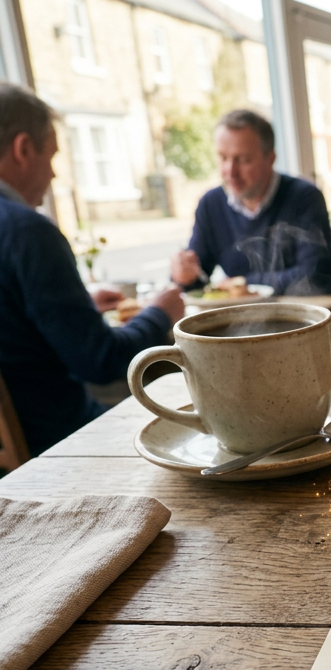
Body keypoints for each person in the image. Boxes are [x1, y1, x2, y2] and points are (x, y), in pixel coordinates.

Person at [0, 84, 184, 456]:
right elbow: (102, 361)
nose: (52, 175)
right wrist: (160, 313)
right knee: (183, 420)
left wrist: (77, 304)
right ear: (23, 149)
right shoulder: (27, 231)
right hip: (55, 440)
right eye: (51, 157)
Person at [170, 109, 331, 296]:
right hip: (241, 319)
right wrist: (184, 277)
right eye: (223, 158)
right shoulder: (211, 204)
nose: (230, 171)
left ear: (270, 159)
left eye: (243, 160)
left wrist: (244, 282)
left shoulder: (304, 197)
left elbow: (316, 276)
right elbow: (199, 282)